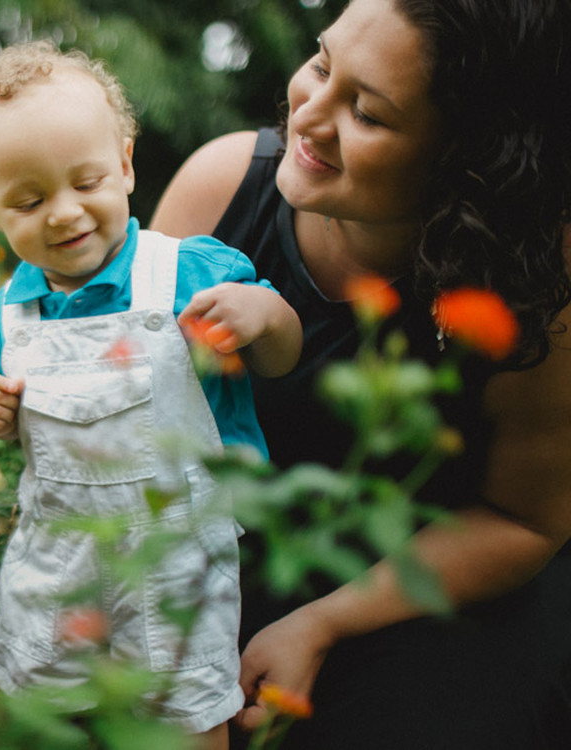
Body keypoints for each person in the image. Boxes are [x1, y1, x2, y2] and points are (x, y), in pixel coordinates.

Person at [149, 0, 571, 747]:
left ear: (466, 160)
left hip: (436, 599)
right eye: (319, 63)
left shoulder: (534, 279)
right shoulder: (220, 191)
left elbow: (523, 518)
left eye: (367, 113)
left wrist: (321, 624)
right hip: (232, 566)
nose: (309, 116)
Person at [0, 41, 302, 748]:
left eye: (86, 182)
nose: (63, 213)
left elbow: (283, 355)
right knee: (35, 702)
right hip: (56, 552)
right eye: (28, 200)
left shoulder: (188, 270)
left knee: (187, 708)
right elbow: (4, 402)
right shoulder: (11, 311)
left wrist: (262, 316)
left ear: (125, 163)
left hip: (175, 552)